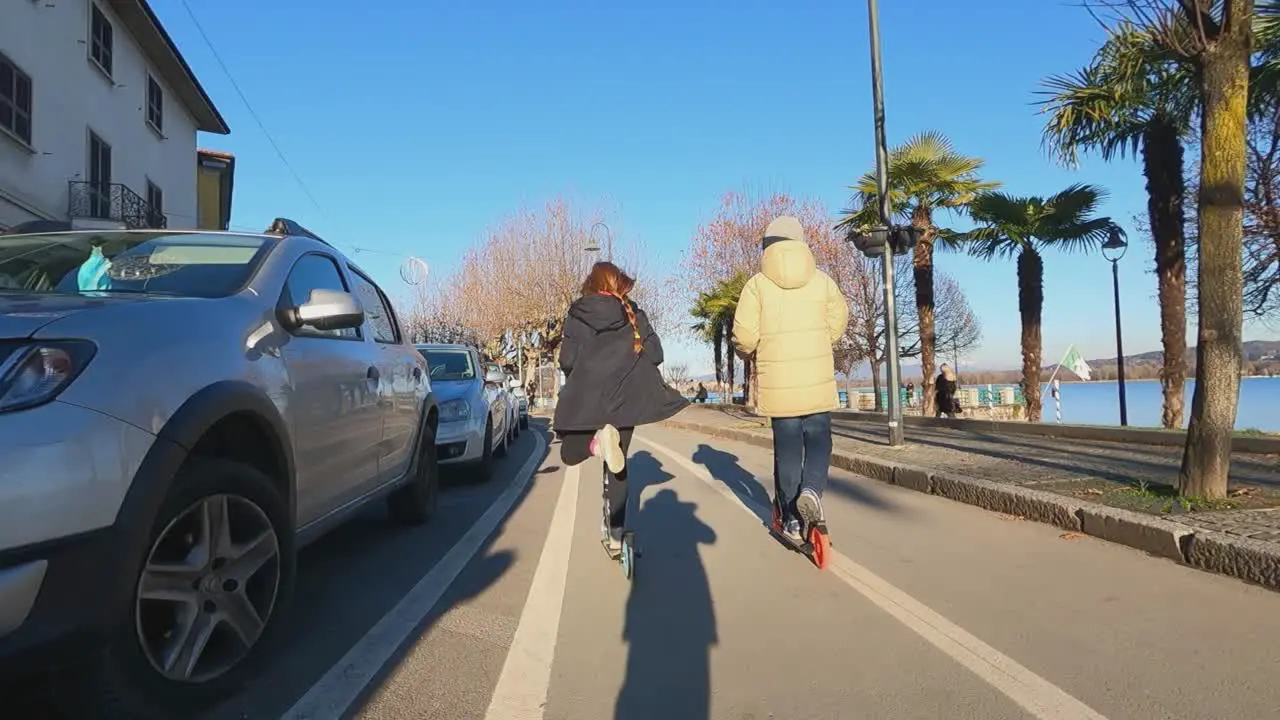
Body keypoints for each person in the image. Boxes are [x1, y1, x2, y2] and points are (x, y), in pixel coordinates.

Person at [553, 261, 687, 551]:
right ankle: (616, 534)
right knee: (619, 465)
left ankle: (596, 445)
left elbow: (567, 360)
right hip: (627, 398)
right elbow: (656, 353)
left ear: (592, 283)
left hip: (590, 398)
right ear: (618, 284)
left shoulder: (577, 314)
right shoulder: (633, 312)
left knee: (569, 451)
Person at [733, 216, 849, 543]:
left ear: (767, 246)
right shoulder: (822, 280)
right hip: (816, 378)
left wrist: (748, 350)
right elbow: (839, 320)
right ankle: (811, 489)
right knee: (819, 439)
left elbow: (744, 334)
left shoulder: (756, 284)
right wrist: (824, 337)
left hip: (778, 383)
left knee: (787, 450)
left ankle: (791, 519)